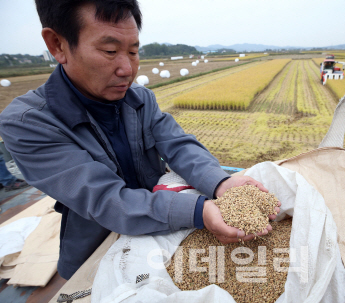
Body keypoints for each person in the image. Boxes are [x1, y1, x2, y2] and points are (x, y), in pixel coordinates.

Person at [0, 0, 280, 280]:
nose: (127, 69)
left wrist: (220, 182)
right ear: (57, 45)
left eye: (133, 51)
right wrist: (199, 211)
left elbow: (179, 145)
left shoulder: (138, 99)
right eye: (110, 51)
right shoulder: (28, 123)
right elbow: (106, 200)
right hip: (95, 254)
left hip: (160, 235)